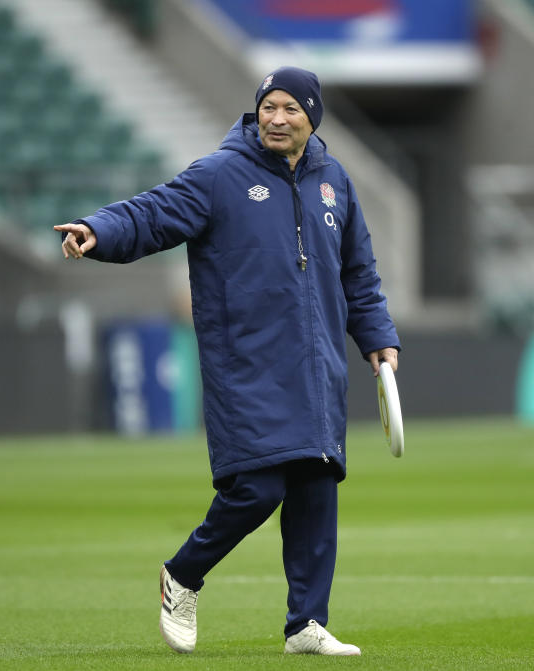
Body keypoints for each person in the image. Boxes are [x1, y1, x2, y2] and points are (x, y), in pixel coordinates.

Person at [54, 66, 400, 656]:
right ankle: (183, 574)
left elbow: (357, 272)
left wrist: (377, 337)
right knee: (258, 488)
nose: (276, 117)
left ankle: (306, 625)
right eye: (269, 106)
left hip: (317, 368)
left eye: (291, 108)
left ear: (312, 116)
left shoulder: (334, 180)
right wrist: (98, 229)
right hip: (247, 364)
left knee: (317, 484)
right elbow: (154, 212)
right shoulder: (219, 174)